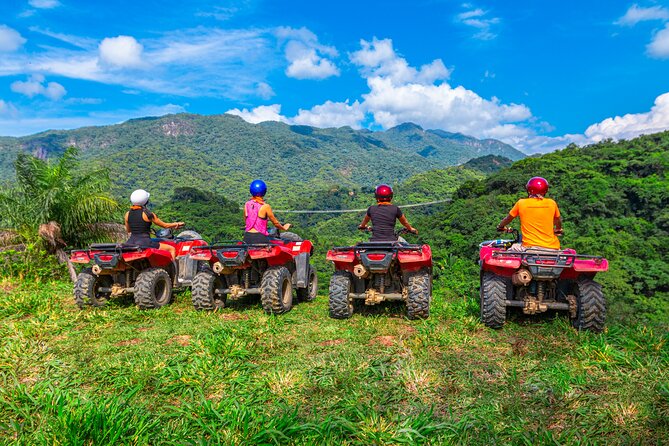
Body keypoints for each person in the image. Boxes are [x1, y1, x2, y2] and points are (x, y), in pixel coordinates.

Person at [496, 177, 563, 251]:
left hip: (530, 248)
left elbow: (508, 219)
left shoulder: (521, 203)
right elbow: (558, 220)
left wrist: (501, 226)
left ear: (529, 190)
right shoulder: (552, 203)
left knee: (510, 248)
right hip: (553, 249)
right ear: (545, 190)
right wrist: (558, 229)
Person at [124, 189, 184, 259]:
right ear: (146, 201)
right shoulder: (148, 214)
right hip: (145, 243)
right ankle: (173, 269)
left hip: (130, 243)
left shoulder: (127, 214)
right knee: (172, 249)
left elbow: (128, 230)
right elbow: (165, 225)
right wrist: (177, 224)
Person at [243, 180, 291, 244]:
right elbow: (275, 223)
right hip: (260, 237)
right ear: (264, 192)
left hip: (247, 237)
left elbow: (246, 221)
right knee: (283, 243)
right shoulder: (266, 206)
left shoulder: (247, 204)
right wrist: (284, 228)